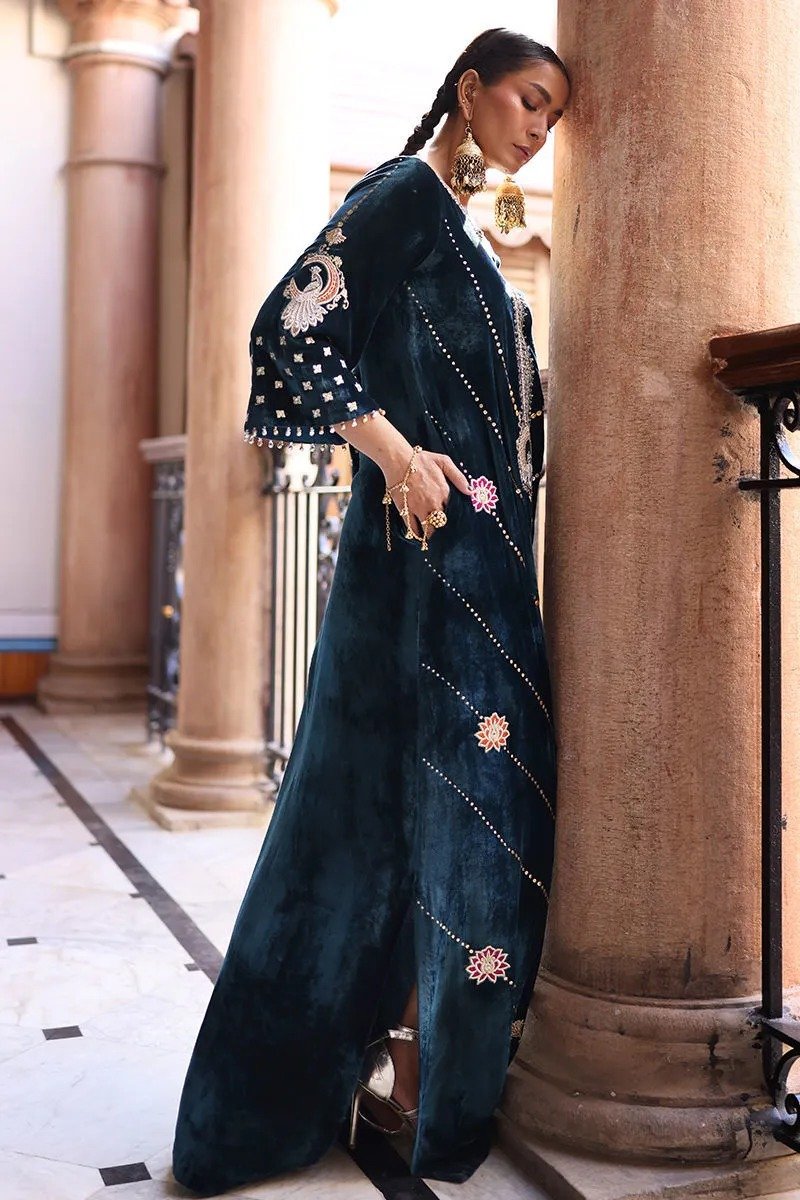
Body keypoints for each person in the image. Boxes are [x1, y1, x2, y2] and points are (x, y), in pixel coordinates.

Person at [171, 26, 570, 1195]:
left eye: (552, 117)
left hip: (480, 579)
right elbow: (286, 331)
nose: (537, 130)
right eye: (527, 101)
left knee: (448, 818)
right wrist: (394, 454)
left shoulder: (463, 229)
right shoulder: (403, 196)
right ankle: (358, 1086)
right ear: (469, 91)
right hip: (421, 578)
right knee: (415, 815)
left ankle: (408, 1067)